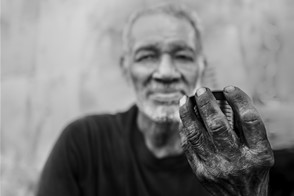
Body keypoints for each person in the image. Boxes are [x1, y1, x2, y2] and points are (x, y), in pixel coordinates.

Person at [36, 3, 275, 196]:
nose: (166, 73)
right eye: (147, 56)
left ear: (201, 68)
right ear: (125, 69)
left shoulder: (236, 161)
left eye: (182, 55)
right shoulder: (83, 142)